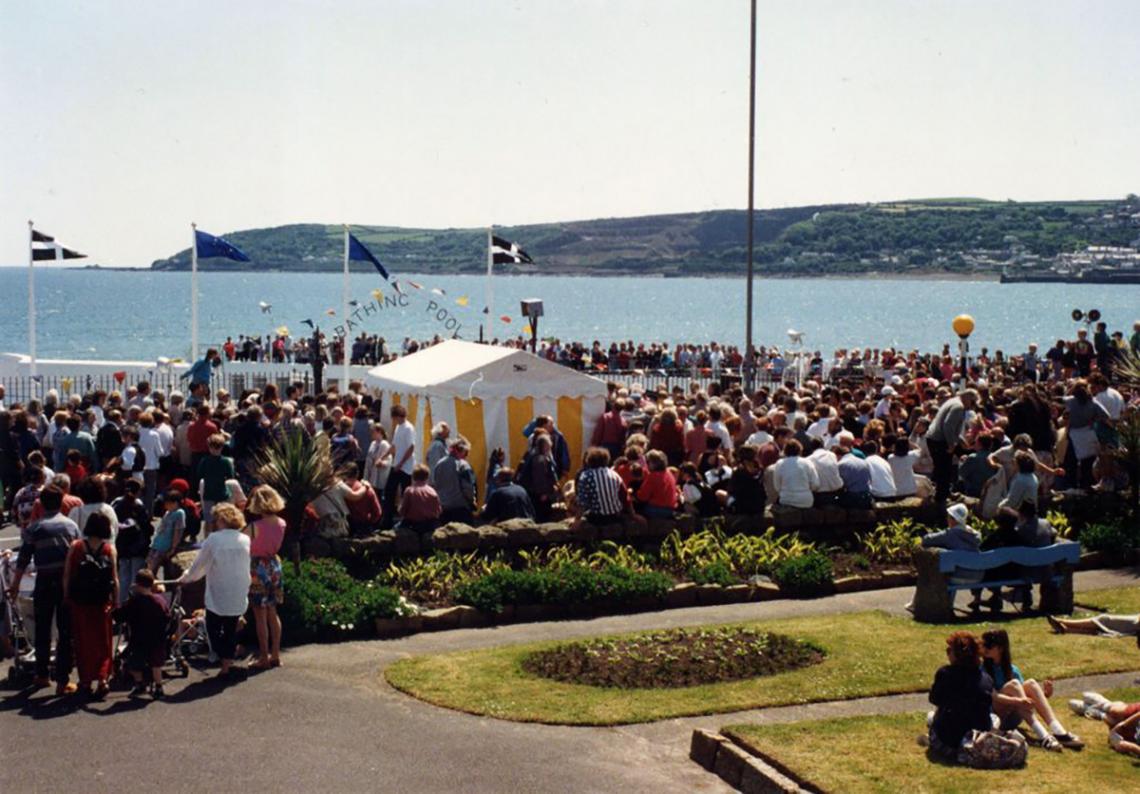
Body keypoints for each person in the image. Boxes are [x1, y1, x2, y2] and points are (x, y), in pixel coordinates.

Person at [7, 486, 81, 694]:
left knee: (42, 628)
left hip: (43, 581)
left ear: (42, 504)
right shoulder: (71, 526)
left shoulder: (34, 528)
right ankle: (63, 680)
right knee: (65, 631)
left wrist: (14, 585)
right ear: (61, 502)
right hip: (65, 582)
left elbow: (23, 559)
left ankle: (42, 675)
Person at [177, 502, 251, 677]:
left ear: (220, 520)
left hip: (220, 589)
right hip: (239, 589)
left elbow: (199, 565)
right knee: (231, 628)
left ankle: (223, 657)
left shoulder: (214, 539)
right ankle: (226, 663)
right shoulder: (244, 538)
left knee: (213, 628)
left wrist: (186, 578)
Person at [981, 629, 1082, 750]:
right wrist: (1019, 701)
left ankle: (1058, 731)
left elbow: (1026, 698)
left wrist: (1045, 694)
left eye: (989, 645)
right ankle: (1044, 737)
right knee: (1014, 685)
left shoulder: (1012, 670)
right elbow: (994, 696)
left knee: (1031, 684)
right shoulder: (983, 669)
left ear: (1001, 648)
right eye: (983, 644)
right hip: (996, 717)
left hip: (1014, 716)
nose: (984, 648)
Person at [63, 512, 118, 698]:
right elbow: (114, 579)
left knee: (83, 641)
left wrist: (66, 596)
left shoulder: (76, 546)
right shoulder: (108, 549)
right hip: (102, 602)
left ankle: (85, 680)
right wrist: (116, 601)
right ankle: (103, 678)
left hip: (80, 602)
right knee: (103, 642)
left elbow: (67, 575)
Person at [926, 631, 995, 760]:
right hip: (977, 741)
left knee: (934, 715)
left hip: (949, 741)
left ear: (957, 655)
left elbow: (934, 698)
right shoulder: (986, 679)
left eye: (949, 650)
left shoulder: (945, 674)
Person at [245, 485, 286, 670]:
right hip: (274, 566)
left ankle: (263, 656)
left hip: (257, 568)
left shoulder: (254, 527)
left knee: (259, 614)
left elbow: (239, 540)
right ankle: (275, 654)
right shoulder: (281, 523)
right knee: (272, 611)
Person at [112, 568, 170, 699]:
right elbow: (167, 617)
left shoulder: (135, 602)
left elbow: (120, 616)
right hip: (158, 639)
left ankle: (140, 684)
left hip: (139, 640)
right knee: (156, 665)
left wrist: (114, 609)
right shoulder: (160, 600)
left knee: (132, 664)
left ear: (137, 584)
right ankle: (159, 687)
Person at [925, 389, 978, 502]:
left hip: (935, 438)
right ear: (968, 398)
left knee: (943, 468)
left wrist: (960, 440)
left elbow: (952, 428)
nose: (972, 406)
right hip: (939, 440)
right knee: (944, 469)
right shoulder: (958, 407)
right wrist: (951, 445)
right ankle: (941, 498)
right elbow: (948, 426)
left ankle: (944, 493)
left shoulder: (953, 401)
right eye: (972, 402)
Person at [113, 479, 153, 604]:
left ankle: (121, 606)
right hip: (138, 548)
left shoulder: (115, 503)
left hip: (122, 547)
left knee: (123, 578)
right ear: (139, 491)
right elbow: (147, 527)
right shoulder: (139, 505)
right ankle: (135, 605)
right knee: (136, 580)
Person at [383, 404, 416, 528]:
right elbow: (394, 446)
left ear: (397, 416)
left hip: (406, 468)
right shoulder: (398, 427)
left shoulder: (408, 428)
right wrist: (383, 456)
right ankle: (387, 521)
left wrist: (401, 463)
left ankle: (407, 521)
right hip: (397, 465)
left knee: (406, 494)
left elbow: (411, 447)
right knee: (389, 491)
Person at [433, 437, 477, 524]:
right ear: (461, 450)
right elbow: (468, 488)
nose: (466, 455)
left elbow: (435, 485)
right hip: (460, 509)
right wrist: (472, 501)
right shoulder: (463, 465)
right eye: (466, 452)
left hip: (444, 508)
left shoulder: (438, 464)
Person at [197, 433, 235, 532]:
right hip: (222, 493)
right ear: (222, 447)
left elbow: (199, 475)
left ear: (209, 447)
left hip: (208, 493)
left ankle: (207, 541)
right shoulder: (226, 462)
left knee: (208, 520)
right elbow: (231, 476)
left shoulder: (204, 461)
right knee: (222, 519)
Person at [771, 439, 818, 509]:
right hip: (805, 500)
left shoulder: (779, 463)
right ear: (800, 450)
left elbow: (777, 486)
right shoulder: (807, 462)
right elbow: (815, 484)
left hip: (786, 499)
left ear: (785, 451)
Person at [147, 489, 185, 575]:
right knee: (149, 567)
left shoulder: (179, 513)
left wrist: (173, 547)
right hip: (157, 544)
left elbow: (177, 531)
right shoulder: (168, 513)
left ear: (175, 503)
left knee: (152, 570)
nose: (165, 506)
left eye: (168, 503)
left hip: (165, 546)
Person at [396, 465, 442, 533]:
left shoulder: (409, 491)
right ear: (427, 477)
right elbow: (439, 511)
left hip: (412, 525)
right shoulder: (432, 491)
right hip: (430, 526)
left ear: (413, 477)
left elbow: (402, 511)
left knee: (395, 528)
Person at [635, 449, 678, 519]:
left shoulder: (653, 476)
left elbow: (642, 497)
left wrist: (635, 494)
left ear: (652, 463)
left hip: (657, 509)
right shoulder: (669, 473)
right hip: (671, 509)